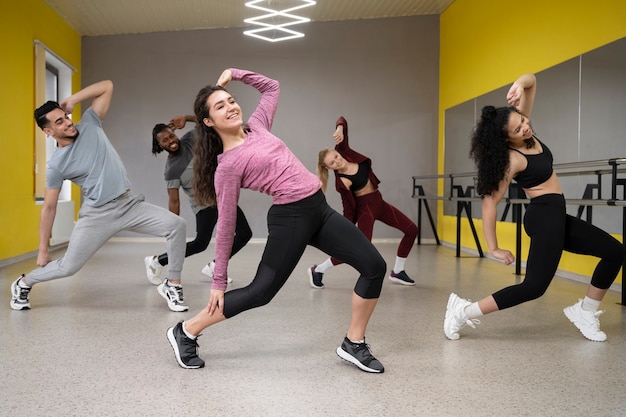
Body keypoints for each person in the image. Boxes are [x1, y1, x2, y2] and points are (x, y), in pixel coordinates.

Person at [166, 68, 387, 373]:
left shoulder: (257, 126)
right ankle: (187, 330)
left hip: (318, 208)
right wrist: (218, 280)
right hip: (291, 217)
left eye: (231, 101)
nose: (230, 107)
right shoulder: (227, 166)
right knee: (261, 291)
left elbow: (271, 88)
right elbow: (227, 223)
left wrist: (235, 74)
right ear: (208, 122)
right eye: (220, 106)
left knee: (374, 267)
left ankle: (354, 342)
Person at [444, 73, 625, 342]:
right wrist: (492, 247)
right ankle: (463, 311)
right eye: (517, 129)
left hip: (556, 214)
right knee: (534, 287)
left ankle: (585, 311)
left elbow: (532, 81)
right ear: (506, 139)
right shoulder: (511, 159)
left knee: (614, 251)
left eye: (524, 121)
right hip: (543, 217)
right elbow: (490, 203)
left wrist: (519, 83)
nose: (526, 128)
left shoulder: (524, 131)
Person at [10, 80, 190, 313]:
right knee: (68, 267)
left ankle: (172, 284)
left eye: (65, 117)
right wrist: (43, 249)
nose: (67, 122)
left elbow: (107, 86)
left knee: (176, 225)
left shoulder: (90, 124)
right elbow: (49, 208)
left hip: (129, 205)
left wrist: (72, 100)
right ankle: (23, 283)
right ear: (48, 131)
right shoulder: (56, 165)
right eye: (59, 122)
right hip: (97, 215)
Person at [309, 116, 419, 288]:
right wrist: (345, 229)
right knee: (358, 250)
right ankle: (318, 270)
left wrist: (339, 129)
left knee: (412, 229)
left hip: (379, 202)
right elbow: (349, 210)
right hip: (365, 210)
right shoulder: (342, 183)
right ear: (329, 168)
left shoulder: (345, 151)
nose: (338, 161)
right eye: (333, 163)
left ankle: (398, 271)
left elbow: (342, 120)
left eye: (336, 156)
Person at [144, 114, 252, 286]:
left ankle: (215, 267)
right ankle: (157, 261)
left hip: (222, 198)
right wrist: (172, 227)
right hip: (204, 207)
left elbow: (208, 122)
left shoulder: (190, 140)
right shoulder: (171, 170)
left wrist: (187, 118)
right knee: (200, 243)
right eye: (164, 140)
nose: (170, 141)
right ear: (159, 145)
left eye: (171, 135)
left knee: (245, 234)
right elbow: (174, 202)